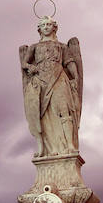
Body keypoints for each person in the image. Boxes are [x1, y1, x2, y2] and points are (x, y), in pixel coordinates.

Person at [19, 16, 82, 157]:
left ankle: (70, 145)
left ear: (54, 27)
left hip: (59, 78)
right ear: (39, 29)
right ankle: (50, 148)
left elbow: (70, 62)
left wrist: (75, 78)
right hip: (40, 81)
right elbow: (24, 63)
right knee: (44, 115)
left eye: (49, 24)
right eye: (43, 25)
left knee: (64, 111)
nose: (46, 27)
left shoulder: (62, 47)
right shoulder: (34, 47)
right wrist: (31, 67)